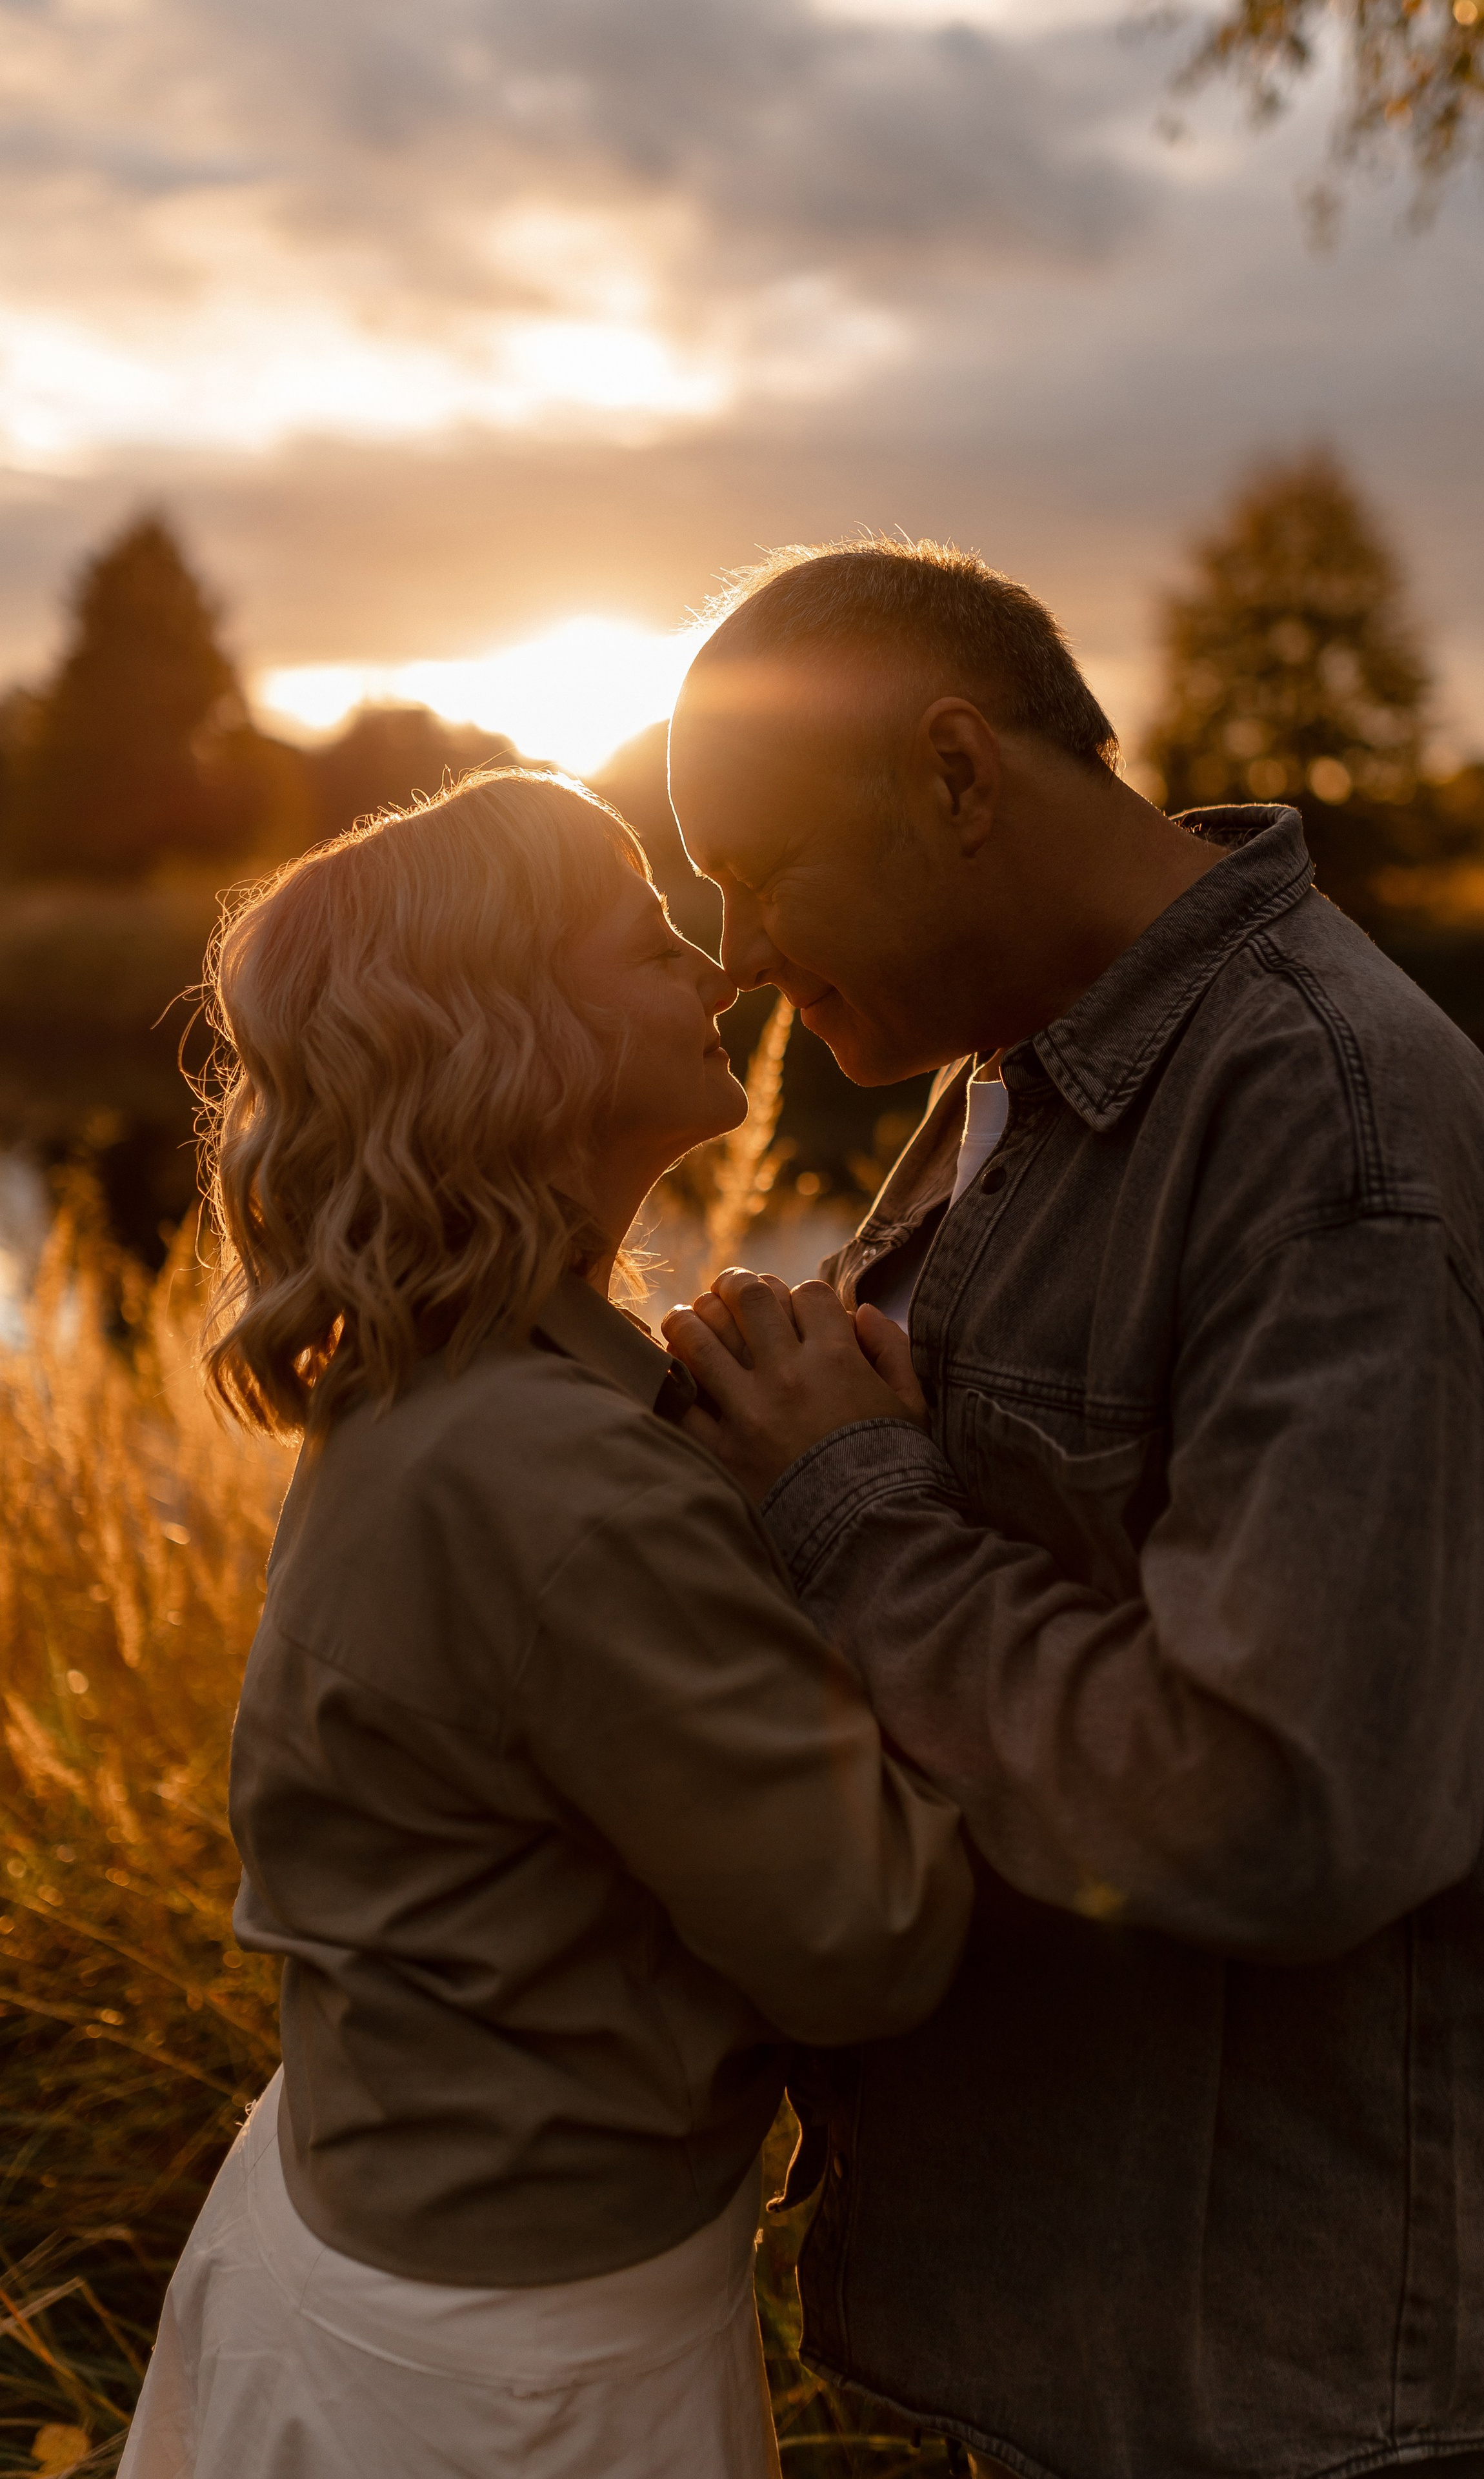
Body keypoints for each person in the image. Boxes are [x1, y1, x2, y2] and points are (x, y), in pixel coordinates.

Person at [661, 540, 1484, 2479]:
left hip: (1276, 2386)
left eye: (765, 870)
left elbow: (1287, 1807)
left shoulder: (1332, 1127)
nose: (740, 952)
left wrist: (845, 1502)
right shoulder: (1027, 1063)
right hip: (1085, 2332)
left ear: (957, 779)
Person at [117, 769, 972, 2479]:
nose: (717, 967)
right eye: (648, 934)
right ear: (517, 1031)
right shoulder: (560, 1481)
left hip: (369, 2224)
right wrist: (867, 1492)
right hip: (501, 2377)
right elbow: (874, 1934)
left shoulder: (446, 1369)